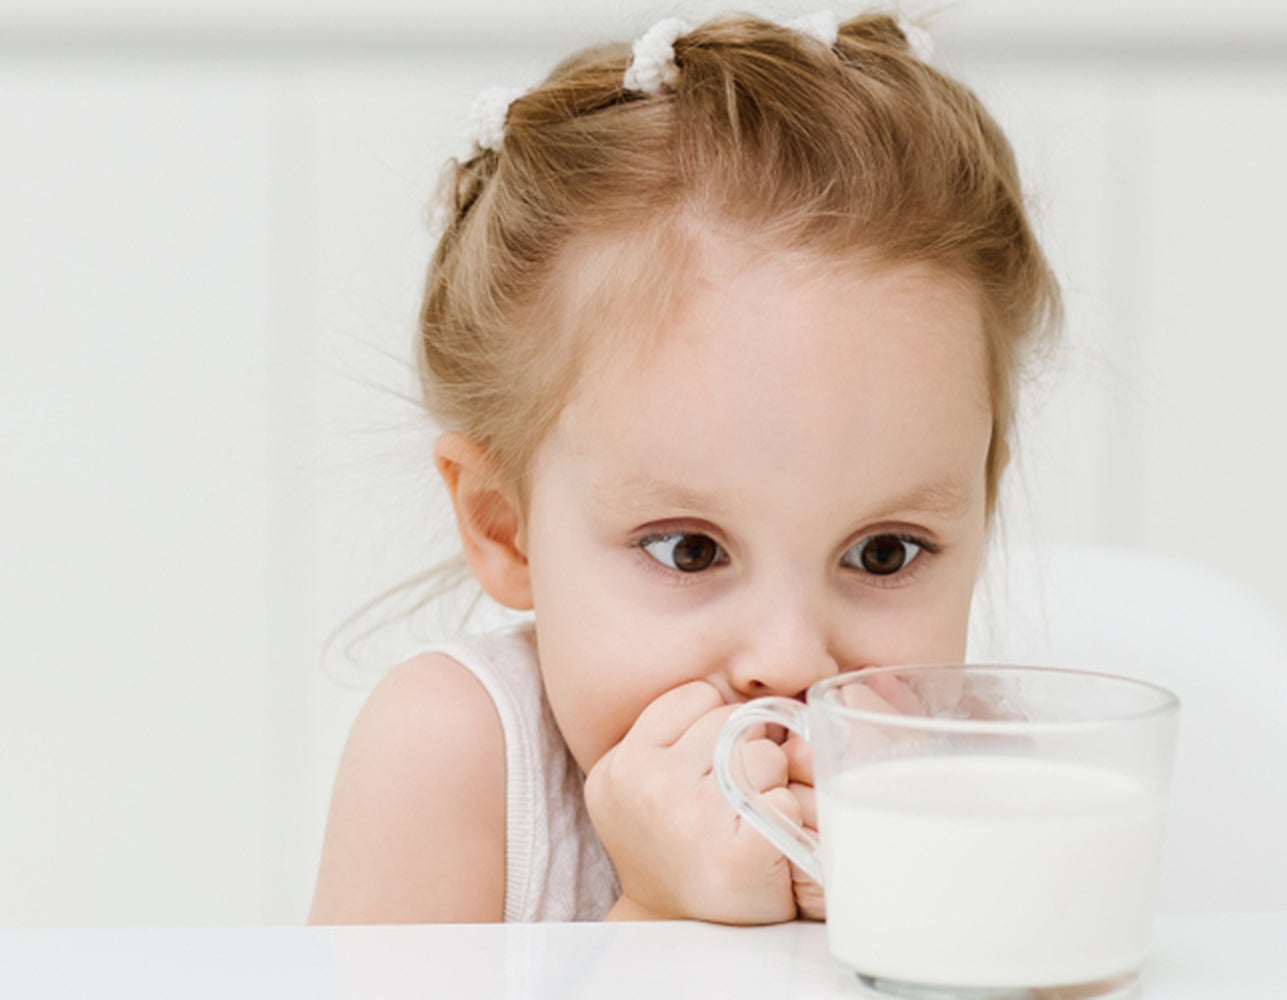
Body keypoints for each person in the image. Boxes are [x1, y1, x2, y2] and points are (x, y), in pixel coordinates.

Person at [308, 10, 1060, 924]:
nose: (788, 659)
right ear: (505, 527)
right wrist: (660, 925)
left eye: (885, 555)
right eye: (690, 552)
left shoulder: (979, 780)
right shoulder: (451, 756)